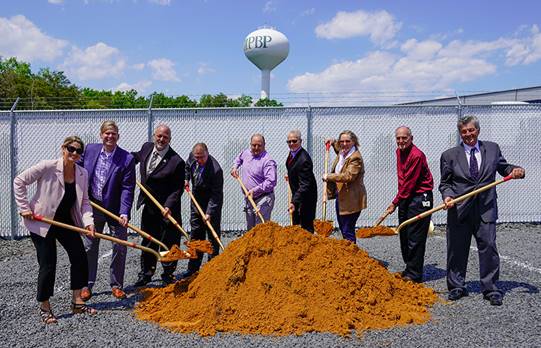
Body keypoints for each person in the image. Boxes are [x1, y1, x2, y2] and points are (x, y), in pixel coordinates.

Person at [439, 115, 525, 305]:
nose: (468, 134)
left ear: (478, 130)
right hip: (459, 208)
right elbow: (445, 183)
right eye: (464, 131)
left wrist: (516, 170)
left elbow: (504, 168)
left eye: (471, 130)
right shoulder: (449, 155)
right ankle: (456, 286)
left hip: (485, 207)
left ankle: (491, 288)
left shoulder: (492, 149)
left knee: (489, 247)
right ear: (460, 134)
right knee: (456, 249)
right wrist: (448, 196)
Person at [13, 136, 97, 324]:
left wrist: (88, 223)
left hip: (65, 221)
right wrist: (24, 207)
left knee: (79, 257)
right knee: (48, 263)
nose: (74, 153)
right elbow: (19, 181)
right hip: (42, 221)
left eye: (78, 151)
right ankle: (45, 307)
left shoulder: (82, 173)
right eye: (71, 149)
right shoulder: (48, 166)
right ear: (63, 148)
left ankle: (77, 302)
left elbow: (84, 203)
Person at [78, 120, 136, 301]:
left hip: (115, 210)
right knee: (89, 245)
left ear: (118, 136)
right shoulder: (89, 150)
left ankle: (116, 285)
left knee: (120, 245)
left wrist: (124, 212)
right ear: (101, 134)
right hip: (92, 205)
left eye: (113, 134)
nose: (110, 136)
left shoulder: (126, 159)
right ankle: (86, 284)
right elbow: (75, 166)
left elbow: (128, 188)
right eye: (106, 133)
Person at [131, 125, 185, 286]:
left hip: (167, 209)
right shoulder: (147, 147)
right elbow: (134, 157)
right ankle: (146, 274)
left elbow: (177, 188)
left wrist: (168, 206)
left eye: (165, 137)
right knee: (148, 240)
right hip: (149, 206)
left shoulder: (176, 161)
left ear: (170, 139)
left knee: (168, 241)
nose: (161, 139)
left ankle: (168, 273)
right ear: (154, 136)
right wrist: (120, 159)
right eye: (159, 136)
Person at [385, 126, 434, 283]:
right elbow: (403, 179)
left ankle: (414, 274)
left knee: (415, 236)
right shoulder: (399, 152)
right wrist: (399, 200)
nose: (401, 141)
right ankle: (409, 267)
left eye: (404, 138)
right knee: (404, 232)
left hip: (420, 197)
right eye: (398, 138)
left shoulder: (416, 156)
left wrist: (394, 203)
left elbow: (410, 183)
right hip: (406, 195)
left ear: (411, 138)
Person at [182, 143, 224, 278]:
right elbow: (187, 166)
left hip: (212, 203)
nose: (199, 160)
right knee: (196, 233)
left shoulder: (216, 170)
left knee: (212, 236)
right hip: (196, 200)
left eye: (202, 157)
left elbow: (216, 194)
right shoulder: (192, 157)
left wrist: (209, 213)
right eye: (197, 157)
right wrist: (186, 179)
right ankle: (193, 268)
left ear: (207, 153)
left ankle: (212, 267)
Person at [323, 130, 367, 244]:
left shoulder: (355, 158)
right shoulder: (343, 153)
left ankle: (352, 255)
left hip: (351, 199)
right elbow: (339, 148)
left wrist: (329, 176)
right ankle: (348, 253)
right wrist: (332, 142)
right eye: (342, 141)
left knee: (348, 230)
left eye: (348, 141)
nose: (344, 144)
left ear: (354, 142)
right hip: (342, 196)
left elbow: (349, 176)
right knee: (343, 228)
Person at [230, 133, 277, 230]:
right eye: (253, 145)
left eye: (259, 145)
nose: (256, 148)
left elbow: (271, 182)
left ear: (264, 145)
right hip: (249, 199)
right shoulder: (246, 153)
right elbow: (238, 159)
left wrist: (254, 190)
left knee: (260, 230)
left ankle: (263, 246)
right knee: (251, 230)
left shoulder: (268, 161)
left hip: (263, 199)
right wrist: (235, 167)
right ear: (250, 144)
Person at [285, 130, 317, 233]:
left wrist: (294, 202)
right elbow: (294, 169)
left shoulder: (304, 159)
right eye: (289, 142)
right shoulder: (292, 154)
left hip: (306, 198)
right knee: (296, 226)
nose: (291, 144)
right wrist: (290, 175)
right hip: (298, 196)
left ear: (300, 141)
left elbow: (305, 184)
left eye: (294, 141)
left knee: (305, 227)